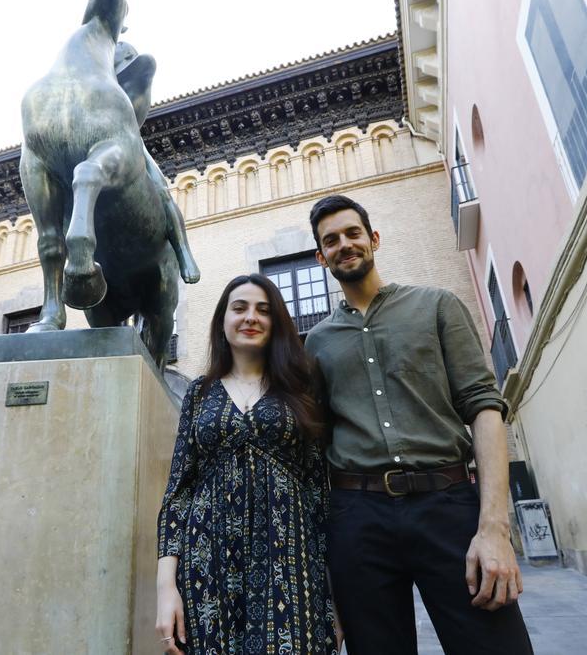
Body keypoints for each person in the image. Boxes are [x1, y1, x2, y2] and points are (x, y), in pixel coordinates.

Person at [304, 194, 534, 654]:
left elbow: (484, 408)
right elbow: (316, 449)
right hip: (357, 515)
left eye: (353, 234)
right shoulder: (315, 344)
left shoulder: (438, 307)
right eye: (331, 241)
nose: (344, 245)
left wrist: (494, 528)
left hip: (448, 506)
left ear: (374, 239)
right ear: (320, 256)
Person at [156, 274, 338, 655]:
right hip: (206, 563)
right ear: (223, 320)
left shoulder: (300, 389)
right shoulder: (198, 392)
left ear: (276, 323)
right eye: (239, 308)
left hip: (289, 558)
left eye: (263, 310)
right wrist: (165, 588)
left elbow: (318, 489)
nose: (250, 317)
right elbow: (178, 491)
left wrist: (335, 595)